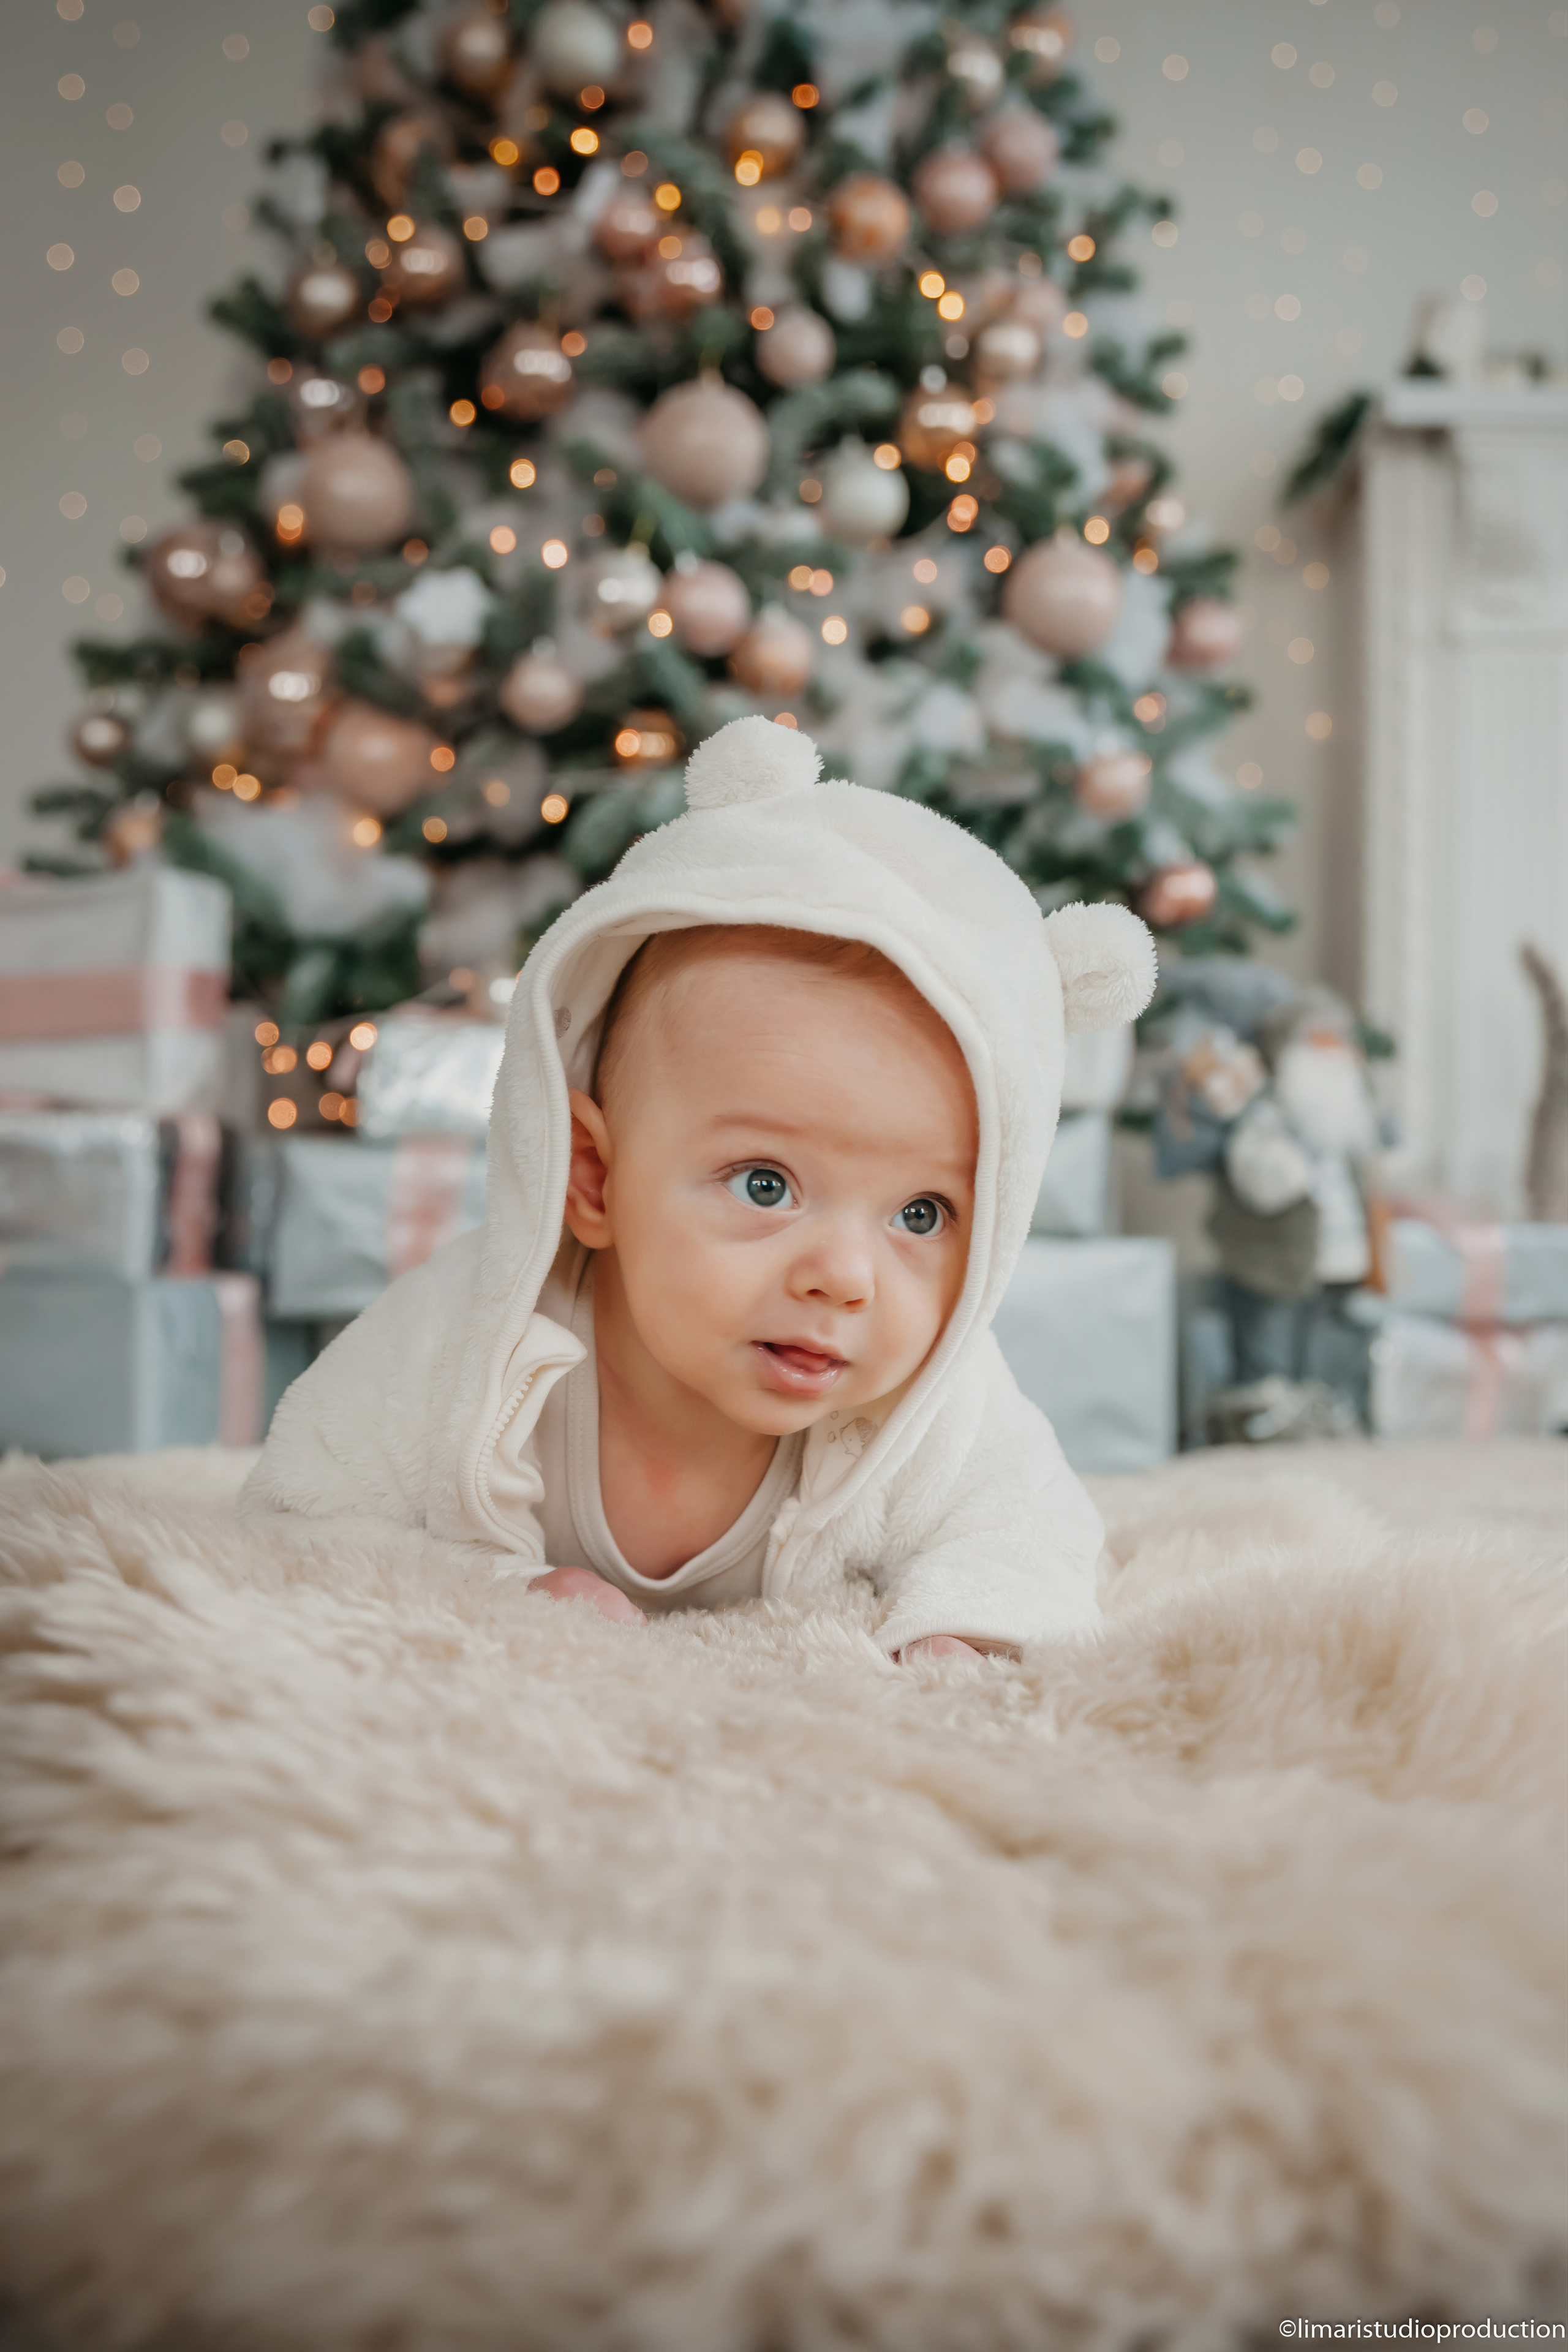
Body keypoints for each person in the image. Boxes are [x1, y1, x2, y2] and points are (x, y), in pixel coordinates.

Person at [242, 717, 1156, 1661]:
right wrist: (497, 1593)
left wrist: (963, 1629)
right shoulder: (469, 1340)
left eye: (920, 1214)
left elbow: (1031, 1534)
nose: (845, 1278)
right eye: (766, 1185)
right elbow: (298, 1515)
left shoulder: (930, 1406)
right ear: (592, 1177)